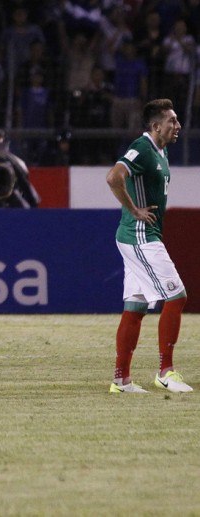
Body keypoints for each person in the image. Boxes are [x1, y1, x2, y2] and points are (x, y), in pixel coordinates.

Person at [106, 98, 192, 394]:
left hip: (139, 236)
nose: (177, 126)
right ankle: (165, 372)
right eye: (172, 121)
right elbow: (114, 177)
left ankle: (121, 379)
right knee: (177, 295)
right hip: (140, 236)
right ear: (156, 126)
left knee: (136, 306)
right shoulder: (142, 148)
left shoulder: (161, 150)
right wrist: (134, 210)